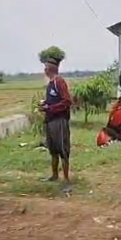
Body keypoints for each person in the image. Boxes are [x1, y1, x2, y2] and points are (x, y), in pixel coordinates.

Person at [38, 53, 72, 192]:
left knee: (63, 150)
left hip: (59, 121)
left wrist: (50, 108)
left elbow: (67, 101)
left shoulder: (59, 82)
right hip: (50, 121)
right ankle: (54, 175)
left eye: (45, 67)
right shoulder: (51, 84)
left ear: (49, 69)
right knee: (53, 150)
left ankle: (66, 179)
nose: (44, 70)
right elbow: (54, 100)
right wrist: (45, 104)